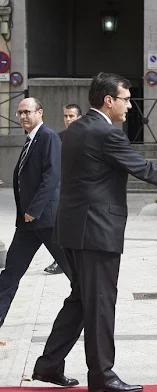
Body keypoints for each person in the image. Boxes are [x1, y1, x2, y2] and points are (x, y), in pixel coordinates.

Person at [33, 72, 157, 392]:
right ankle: (102, 376)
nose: (130, 106)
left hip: (72, 229)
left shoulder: (76, 129)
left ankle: (49, 365)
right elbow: (144, 168)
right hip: (96, 232)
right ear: (109, 100)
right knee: (101, 303)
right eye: (125, 99)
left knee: (80, 300)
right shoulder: (107, 134)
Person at [0, 98, 72, 329]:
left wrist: (34, 209)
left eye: (27, 112)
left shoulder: (48, 137)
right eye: (19, 113)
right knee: (10, 272)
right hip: (28, 223)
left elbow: (52, 175)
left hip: (46, 219)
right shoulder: (30, 140)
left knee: (74, 271)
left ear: (40, 113)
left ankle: (95, 311)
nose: (22, 116)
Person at [44, 103, 83, 275]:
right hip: (63, 188)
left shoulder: (88, 137)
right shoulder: (58, 138)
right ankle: (60, 261)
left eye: (71, 116)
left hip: (82, 189)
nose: (68, 119)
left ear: (79, 117)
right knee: (60, 226)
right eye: (66, 116)